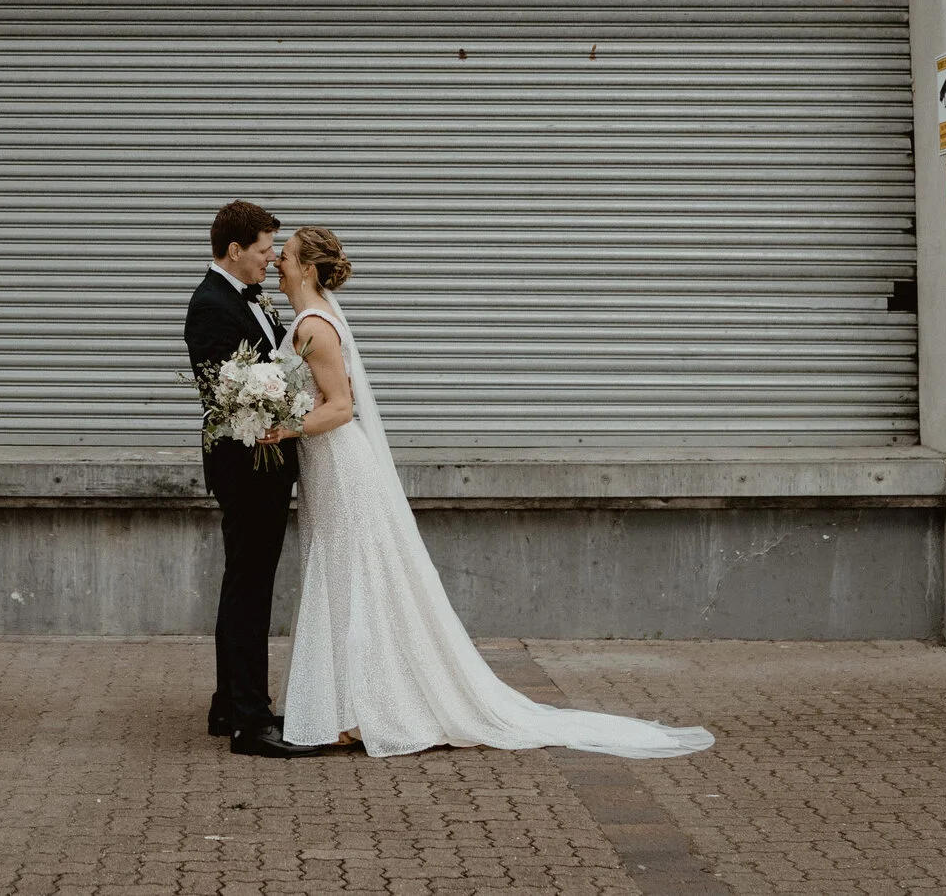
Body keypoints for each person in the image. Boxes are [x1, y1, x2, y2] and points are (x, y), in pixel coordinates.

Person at [271, 225, 716, 760]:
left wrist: (283, 427)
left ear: (311, 269)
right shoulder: (312, 318)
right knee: (345, 578)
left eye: (289, 255)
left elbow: (341, 408)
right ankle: (347, 704)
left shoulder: (316, 325)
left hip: (340, 467)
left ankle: (359, 710)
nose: (278, 261)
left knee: (351, 579)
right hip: (328, 469)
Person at [184, 201, 332, 759]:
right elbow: (226, 392)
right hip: (246, 466)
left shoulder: (241, 297)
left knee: (243, 583)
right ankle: (250, 721)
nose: (272, 261)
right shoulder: (210, 306)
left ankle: (230, 705)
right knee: (250, 589)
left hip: (259, 463)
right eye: (266, 250)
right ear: (234, 250)